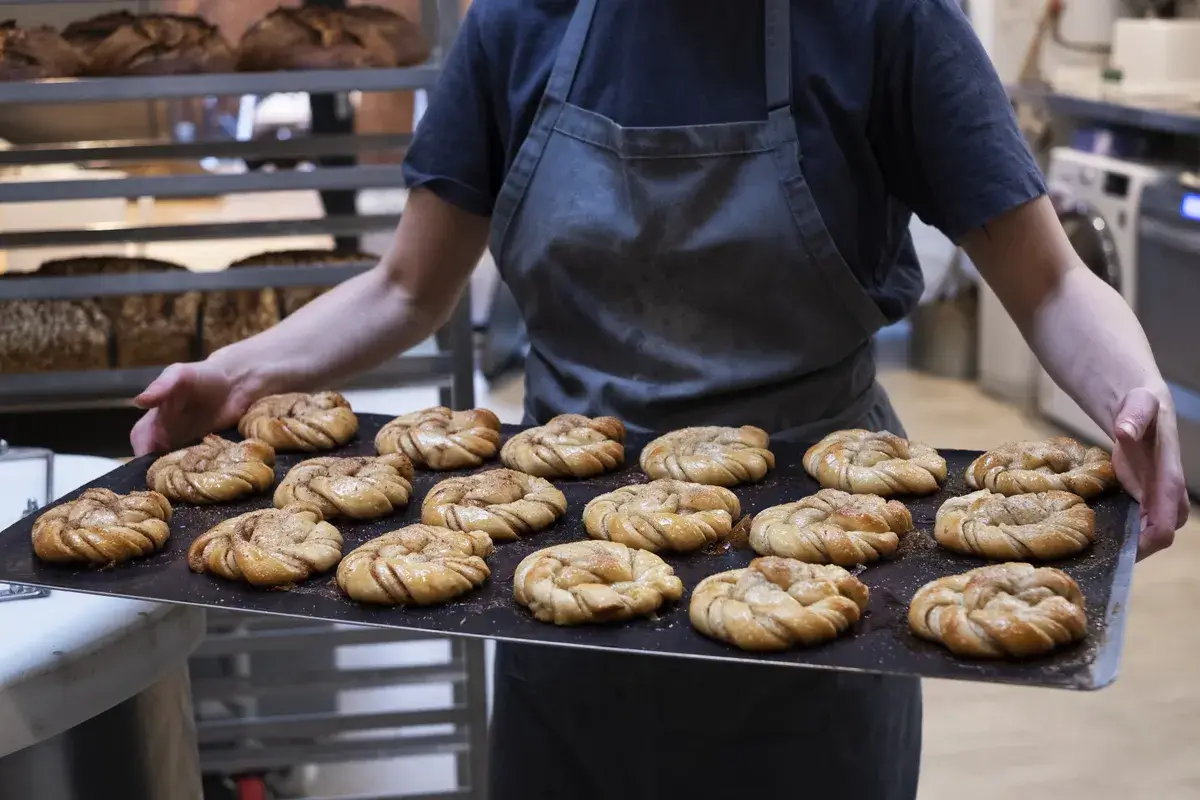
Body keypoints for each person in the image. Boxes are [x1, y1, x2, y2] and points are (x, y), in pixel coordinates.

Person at [132, 1, 1189, 797]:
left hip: (830, 559)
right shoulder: (518, 20)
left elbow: (1046, 280)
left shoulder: (883, 14)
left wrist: (1132, 393)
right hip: (560, 575)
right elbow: (408, 284)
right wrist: (244, 374)